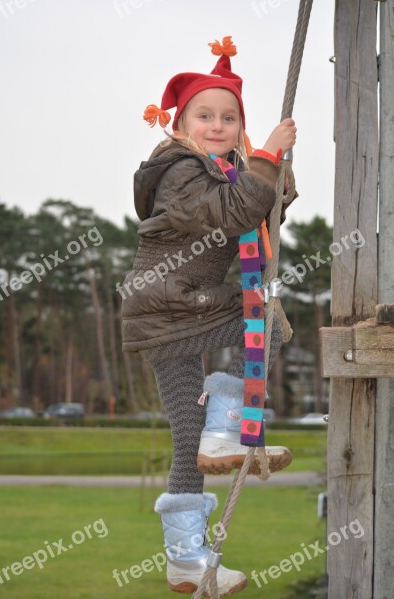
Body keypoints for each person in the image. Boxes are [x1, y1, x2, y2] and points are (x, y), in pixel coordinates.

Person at [121, 36, 297, 597]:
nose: (217, 125)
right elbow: (235, 209)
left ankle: (186, 561)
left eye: (229, 117)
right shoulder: (180, 171)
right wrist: (265, 157)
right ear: (180, 124)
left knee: (185, 439)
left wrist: (271, 168)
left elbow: (263, 210)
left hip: (171, 308)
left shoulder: (223, 170)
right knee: (263, 321)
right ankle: (227, 426)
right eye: (205, 115)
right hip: (173, 302)